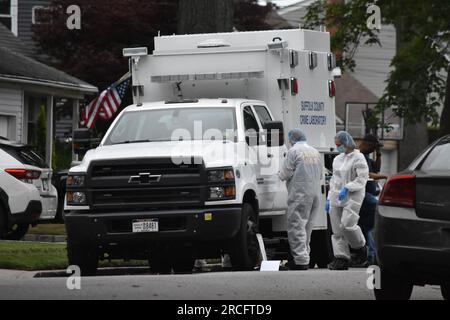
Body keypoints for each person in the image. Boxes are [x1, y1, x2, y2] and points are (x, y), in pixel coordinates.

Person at [279, 129, 322, 270]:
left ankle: (300, 261)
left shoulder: (293, 151)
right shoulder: (315, 151)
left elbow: (285, 173)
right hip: (314, 193)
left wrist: (277, 175)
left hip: (300, 193)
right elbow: (320, 174)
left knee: (296, 226)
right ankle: (305, 256)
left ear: (292, 139)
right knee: (307, 228)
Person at [326, 131, 369, 270]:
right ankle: (341, 258)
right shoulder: (337, 159)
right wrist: (329, 197)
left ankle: (360, 248)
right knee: (337, 229)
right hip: (336, 195)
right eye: (336, 145)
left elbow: (362, 178)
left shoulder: (358, 157)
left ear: (347, 143)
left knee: (347, 224)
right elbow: (334, 179)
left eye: (340, 145)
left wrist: (348, 187)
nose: (338, 147)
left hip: (353, 195)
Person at [355, 134, 388, 266]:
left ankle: (368, 256)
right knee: (369, 227)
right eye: (373, 147)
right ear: (367, 144)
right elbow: (368, 174)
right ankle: (371, 257)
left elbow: (376, 168)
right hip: (363, 195)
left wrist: (379, 154)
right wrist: (385, 176)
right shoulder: (359, 156)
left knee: (365, 227)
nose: (374, 150)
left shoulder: (366, 157)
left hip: (369, 195)